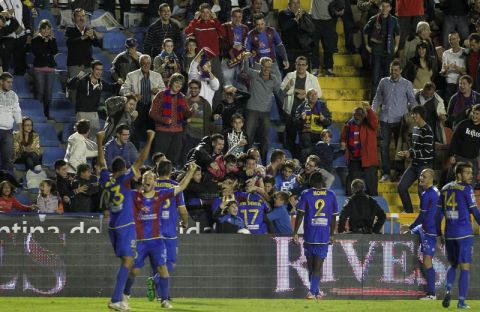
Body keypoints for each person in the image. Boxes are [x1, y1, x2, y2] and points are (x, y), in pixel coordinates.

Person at [96, 128, 155, 311]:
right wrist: (150, 139)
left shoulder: (106, 179)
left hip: (113, 226)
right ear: (123, 169)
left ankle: (120, 298)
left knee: (127, 263)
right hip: (125, 226)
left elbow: (101, 161)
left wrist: (99, 142)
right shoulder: (123, 179)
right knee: (128, 263)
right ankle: (116, 299)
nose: (135, 174)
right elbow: (140, 160)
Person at [123, 163, 198, 309]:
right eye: (145, 178)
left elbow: (181, 187)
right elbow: (120, 189)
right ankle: (126, 295)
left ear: (155, 182)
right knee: (135, 270)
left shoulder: (161, 194)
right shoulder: (134, 195)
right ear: (142, 181)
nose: (148, 180)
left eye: (150, 178)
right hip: (142, 240)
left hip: (157, 240)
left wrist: (191, 172)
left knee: (163, 269)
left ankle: (164, 299)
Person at [437, 162, 480, 309]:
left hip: (449, 234)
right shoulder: (467, 189)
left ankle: (448, 288)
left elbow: (439, 214)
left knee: (453, 265)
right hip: (464, 234)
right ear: (459, 174)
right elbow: (474, 211)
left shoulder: (444, 189)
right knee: (465, 267)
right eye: (467, 173)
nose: (471, 175)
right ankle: (461, 302)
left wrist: (438, 233)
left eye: (471, 172)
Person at [293, 171, 337, 300]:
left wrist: (295, 232)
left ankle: (314, 292)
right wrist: (332, 234)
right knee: (317, 266)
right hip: (323, 235)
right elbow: (334, 216)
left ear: (311, 182)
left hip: (309, 235)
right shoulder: (331, 195)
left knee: (311, 266)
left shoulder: (306, 194)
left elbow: (300, 214)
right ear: (322, 181)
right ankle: (313, 292)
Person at [372, 60, 416, 182]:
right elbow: (377, 98)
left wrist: (414, 116)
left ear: (400, 70)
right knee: (384, 146)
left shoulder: (407, 84)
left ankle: (399, 173)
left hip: (400, 121)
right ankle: (385, 173)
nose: (393, 72)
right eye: (392, 69)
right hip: (384, 119)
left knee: (400, 148)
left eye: (396, 70)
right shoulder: (383, 81)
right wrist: (373, 112)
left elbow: (412, 101)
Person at [404, 168, 439, 300]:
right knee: (411, 231)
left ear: (431, 178)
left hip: (429, 231)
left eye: (424, 176)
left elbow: (422, 216)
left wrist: (410, 226)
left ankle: (431, 294)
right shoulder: (436, 192)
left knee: (427, 261)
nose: (421, 178)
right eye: (420, 176)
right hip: (425, 228)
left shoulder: (426, 194)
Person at [67, 60, 122, 140]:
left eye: (101, 70)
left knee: (94, 139)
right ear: (92, 70)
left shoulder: (101, 83)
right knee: (81, 138)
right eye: (97, 69)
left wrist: (118, 84)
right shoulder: (83, 81)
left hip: (94, 114)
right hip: (82, 113)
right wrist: (76, 78)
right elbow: (69, 86)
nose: (99, 72)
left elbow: (111, 88)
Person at [120, 54, 165, 147]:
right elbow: (122, 90)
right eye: (143, 63)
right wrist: (133, 95)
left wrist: (158, 91)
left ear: (151, 64)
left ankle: (152, 155)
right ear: (139, 64)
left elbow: (164, 91)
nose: (146, 65)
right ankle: (135, 153)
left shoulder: (157, 76)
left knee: (151, 132)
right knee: (134, 133)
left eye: (148, 63)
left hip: (152, 108)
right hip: (137, 107)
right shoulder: (131, 75)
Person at [242, 53, 281, 161]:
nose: (266, 69)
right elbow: (245, 70)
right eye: (264, 66)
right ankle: (247, 160)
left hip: (265, 111)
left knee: (265, 139)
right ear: (260, 66)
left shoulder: (274, 79)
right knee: (249, 136)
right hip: (252, 109)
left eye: (269, 67)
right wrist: (245, 60)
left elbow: (279, 92)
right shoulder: (254, 74)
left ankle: (263, 161)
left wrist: (288, 88)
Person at [149, 73, 193, 167]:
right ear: (171, 82)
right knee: (159, 158)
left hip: (177, 132)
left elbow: (187, 114)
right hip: (163, 131)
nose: (178, 85)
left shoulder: (182, 97)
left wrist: (193, 110)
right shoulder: (161, 94)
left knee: (173, 159)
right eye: (176, 82)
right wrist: (163, 120)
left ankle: (171, 178)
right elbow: (152, 113)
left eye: (181, 84)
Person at [397, 106, 434, 213]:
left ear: (422, 115)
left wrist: (411, 153)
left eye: (415, 114)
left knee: (421, 191)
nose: (413, 116)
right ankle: (408, 211)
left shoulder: (428, 131)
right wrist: (407, 152)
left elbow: (427, 151)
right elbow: (414, 148)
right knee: (401, 187)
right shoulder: (415, 129)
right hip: (414, 164)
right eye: (412, 114)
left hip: (424, 165)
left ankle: (426, 213)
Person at [281, 56, 322, 152]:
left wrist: (306, 93)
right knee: (290, 140)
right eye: (298, 64)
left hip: (306, 115)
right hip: (290, 113)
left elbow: (319, 93)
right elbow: (282, 90)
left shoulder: (313, 78)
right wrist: (293, 90)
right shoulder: (289, 76)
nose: (301, 67)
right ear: (295, 65)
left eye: (303, 65)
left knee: (304, 141)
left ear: (307, 66)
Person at [341, 102, 379, 195]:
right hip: (355, 159)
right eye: (355, 115)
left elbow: (374, 121)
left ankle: (372, 206)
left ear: (364, 116)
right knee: (353, 188)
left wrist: (369, 110)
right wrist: (343, 142)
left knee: (372, 188)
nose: (357, 117)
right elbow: (343, 136)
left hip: (369, 160)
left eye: (359, 115)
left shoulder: (370, 125)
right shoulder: (348, 125)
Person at [363, 0, 400, 94]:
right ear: (380, 7)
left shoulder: (394, 20)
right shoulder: (374, 19)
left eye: (387, 6)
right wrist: (367, 45)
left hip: (388, 52)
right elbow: (365, 31)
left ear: (390, 8)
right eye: (383, 6)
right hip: (376, 51)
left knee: (388, 77)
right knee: (375, 78)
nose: (385, 8)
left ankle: (387, 99)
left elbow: (397, 34)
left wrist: (396, 46)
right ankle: (374, 101)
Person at [66, 8, 99, 106]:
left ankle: (86, 108)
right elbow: (69, 43)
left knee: (88, 88)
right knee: (74, 88)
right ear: (74, 18)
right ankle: (74, 110)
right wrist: (83, 37)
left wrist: (92, 37)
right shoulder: (70, 29)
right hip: (75, 64)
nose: (81, 18)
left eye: (83, 16)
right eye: (79, 16)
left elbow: (97, 44)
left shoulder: (89, 30)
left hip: (88, 65)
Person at [244, 13, 289, 79]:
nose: (260, 27)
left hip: (272, 62)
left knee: (278, 80)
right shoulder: (250, 34)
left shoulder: (272, 31)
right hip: (258, 64)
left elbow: (280, 46)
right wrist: (250, 55)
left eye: (262, 24)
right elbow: (246, 51)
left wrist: (285, 59)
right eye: (258, 24)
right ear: (254, 24)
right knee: (257, 83)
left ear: (265, 23)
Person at [294, 89, 332, 161]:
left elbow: (329, 121)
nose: (313, 96)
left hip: (319, 136)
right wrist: (301, 118)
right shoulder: (301, 107)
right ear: (307, 97)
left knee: (321, 147)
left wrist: (323, 119)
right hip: (306, 137)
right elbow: (295, 123)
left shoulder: (322, 106)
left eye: (315, 94)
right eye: (311, 94)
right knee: (306, 148)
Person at [31, 19, 58, 118]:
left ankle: (46, 113)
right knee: (40, 92)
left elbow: (55, 51)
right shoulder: (35, 40)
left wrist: (50, 41)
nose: (46, 31)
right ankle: (39, 113)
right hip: (39, 68)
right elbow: (37, 53)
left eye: (48, 29)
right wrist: (44, 41)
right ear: (40, 30)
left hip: (50, 69)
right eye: (44, 29)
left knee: (49, 94)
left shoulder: (53, 40)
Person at [448, 104, 480, 186]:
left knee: (471, 185)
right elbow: (454, 140)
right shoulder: (464, 124)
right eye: (473, 113)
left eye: (477, 114)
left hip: (473, 160)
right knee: (454, 184)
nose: (474, 115)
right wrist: (451, 155)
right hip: (460, 158)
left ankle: (467, 199)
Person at [183, 79, 214, 158]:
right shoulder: (185, 101)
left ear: (199, 89)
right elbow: (180, 117)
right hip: (187, 136)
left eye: (196, 88)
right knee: (185, 159)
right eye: (191, 88)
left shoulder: (205, 103)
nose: (193, 90)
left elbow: (210, 121)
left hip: (201, 137)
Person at [221, 7, 249, 88]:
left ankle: (239, 100)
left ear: (242, 17)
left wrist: (242, 47)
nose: (237, 19)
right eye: (235, 16)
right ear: (231, 17)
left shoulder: (245, 28)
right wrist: (232, 47)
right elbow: (221, 43)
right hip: (228, 59)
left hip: (241, 60)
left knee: (241, 85)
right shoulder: (225, 27)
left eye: (239, 17)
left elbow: (248, 44)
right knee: (228, 85)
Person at [0, 0, 30, 75]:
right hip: (6, 38)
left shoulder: (21, 1)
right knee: (5, 64)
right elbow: (3, 21)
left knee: (20, 63)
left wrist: (27, 33)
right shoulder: (1, 2)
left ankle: (19, 84)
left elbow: (24, 18)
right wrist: (7, 17)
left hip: (20, 36)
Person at [0, 72, 22, 173]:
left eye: (11, 82)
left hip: (8, 131)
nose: (10, 84)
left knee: (7, 159)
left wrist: (20, 126)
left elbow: (17, 111)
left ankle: (7, 183)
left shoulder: (13, 95)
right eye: (8, 82)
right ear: (1, 82)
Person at [310, 0, 337, 76]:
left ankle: (329, 68)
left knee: (328, 46)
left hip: (329, 20)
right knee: (314, 46)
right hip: (315, 20)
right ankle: (315, 68)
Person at [440, 31, 467, 107]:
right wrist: (445, 70)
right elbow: (442, 73)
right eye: (450, 39)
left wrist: (456, 68)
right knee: (451, 106)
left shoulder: (465, 52)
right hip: (450, 84)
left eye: (454, 39)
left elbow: (466, 71)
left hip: (462, 83)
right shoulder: (446, 53)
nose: (451, 41)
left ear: (459, 39)